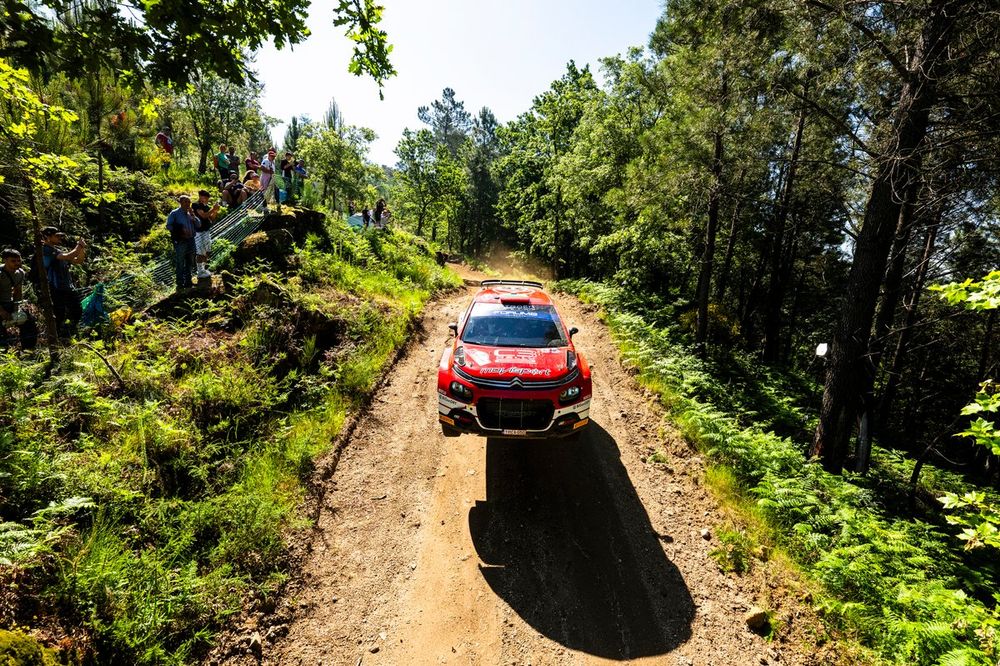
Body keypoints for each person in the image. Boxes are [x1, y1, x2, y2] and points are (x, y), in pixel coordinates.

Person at [41, 227, 86, 339]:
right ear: (47, 237)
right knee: (59, 314)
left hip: (67, 286)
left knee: (77, 310)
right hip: (55, 288)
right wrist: (79, 246)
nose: (60, 238)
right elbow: (69, 256)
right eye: (57, 235)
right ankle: (56, 338)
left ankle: (71, 333)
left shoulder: (57, 250)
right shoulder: (45, 250)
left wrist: (82, 248)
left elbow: (78, 260)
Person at [0, 249, 38, 349]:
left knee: (28, 322)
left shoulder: (20, 272)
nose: (17, 263)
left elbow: (18, 291)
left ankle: (28, 350)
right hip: (1, 306)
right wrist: (2, 311)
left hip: (9, 303)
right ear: (5, 260)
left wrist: (16, 309)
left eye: (18, 260)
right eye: (13, 261)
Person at [165, 196, 199, 291]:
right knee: (180, 262)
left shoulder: (190, 213)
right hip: (180, 241)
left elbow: (199, 225)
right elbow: (168, 226)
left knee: (190, 262)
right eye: (185, 202)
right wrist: (180, 230)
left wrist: (193, 216)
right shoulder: (174, 213)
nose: (188, 203)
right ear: (180, 202)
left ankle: (188, 282)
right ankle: (180, 283)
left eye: (189, 201)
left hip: (191, 240)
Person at [192, 190, 220, 278]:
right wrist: (213, 209)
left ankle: (203, 269)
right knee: (200, 252)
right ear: (200, 196)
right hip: (199, 232)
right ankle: (199, 271)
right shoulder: (196, 205)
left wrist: (215, 211)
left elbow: (211, 218)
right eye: (205, 198)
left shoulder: (207, 206)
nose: (206, 200)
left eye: (207, 198)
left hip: (207, 231)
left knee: (207, 251)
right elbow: (203, 215)